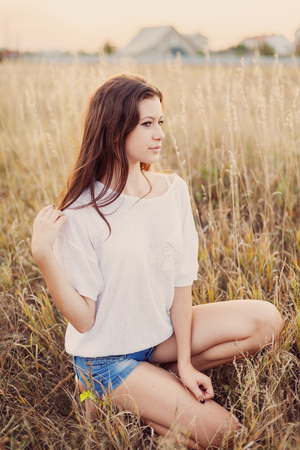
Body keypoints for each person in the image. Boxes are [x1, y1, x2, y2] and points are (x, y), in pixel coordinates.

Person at [31, 73, 283, 449]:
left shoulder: (173, 191)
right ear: (115, 131)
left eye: (160, 122)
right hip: (106, 360)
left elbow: (182, 282)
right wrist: (43, 255)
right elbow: (84, 320)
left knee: (266, 321)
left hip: (157, 338)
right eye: (147, 124)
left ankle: (156, 380)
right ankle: (109, 397)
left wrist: (184, 363)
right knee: (227, 436)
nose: (159, 133)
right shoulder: (82, 211)